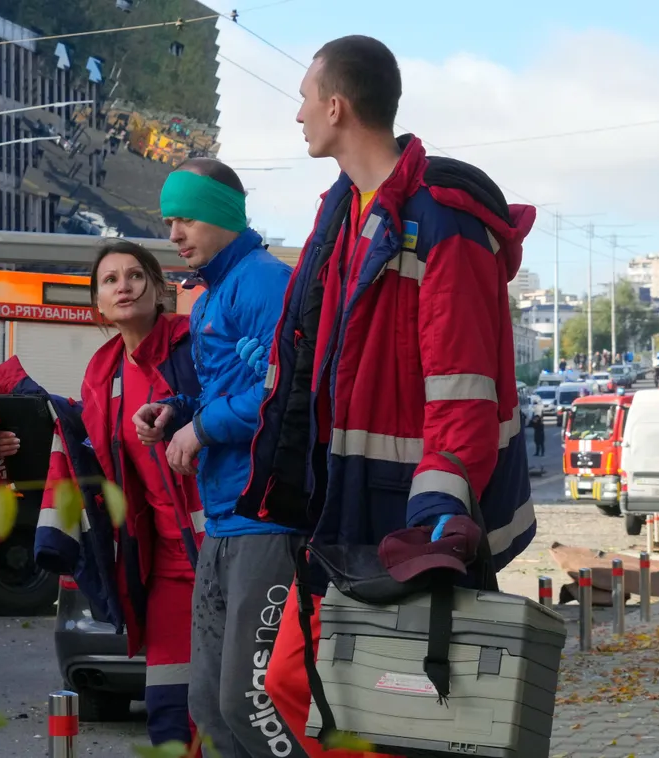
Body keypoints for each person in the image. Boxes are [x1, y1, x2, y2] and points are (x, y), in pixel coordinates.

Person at [230, 35, 537, 757]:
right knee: (304, 688)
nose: (297, 115)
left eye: (303, 98)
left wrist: (438, 511)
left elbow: (461, 386)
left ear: (335, 106)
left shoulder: (440, 219)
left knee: (380, 713)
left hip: (407, 519)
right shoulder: (341, 213)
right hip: (344, 508)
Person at [130, 158, 300, 756]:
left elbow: (288, 393)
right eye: (169, 221)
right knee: (207, 704)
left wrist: (201, 429)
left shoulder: (263, 283)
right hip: (224, 516)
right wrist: (177, 410)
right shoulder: (207, 296)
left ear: (224, 216)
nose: (174, 234)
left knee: (250, 704)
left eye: (186, 219)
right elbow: (227, 386)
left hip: (265, 518)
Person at [29, 240, 205, 747]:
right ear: (98, 306)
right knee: (171, 709)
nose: (123, 285)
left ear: (158, 288)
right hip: (167, 563)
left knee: (235, 701)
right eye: (110, 280)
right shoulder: (102, 371)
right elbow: (80, 447)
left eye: (134, 275)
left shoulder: (194, 344)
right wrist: (6, 440)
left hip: (224, 549)